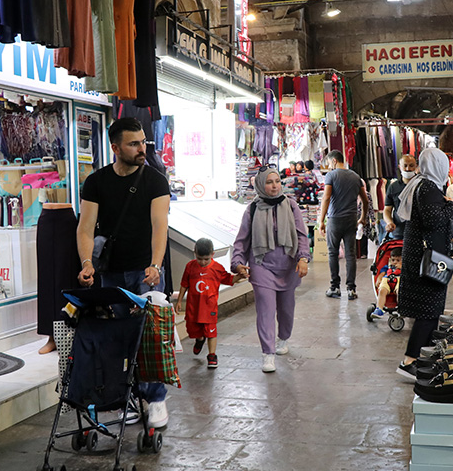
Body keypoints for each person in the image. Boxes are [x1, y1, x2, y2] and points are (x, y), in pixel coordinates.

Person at [76, 117, 171, 428]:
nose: (141, 148)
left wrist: (156, 264)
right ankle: (122, 397)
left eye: (142, 141)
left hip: (146, 271)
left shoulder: (155, 180)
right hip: (112, 273)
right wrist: (87, 263)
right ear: (115, 147)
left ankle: (155, 399)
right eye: (134, 144)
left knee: (151, 338)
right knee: (117, 338)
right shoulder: (96, 182)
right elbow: (86, 227)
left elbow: (160, 226)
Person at [231, 167, 311, 373]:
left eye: (277, 181)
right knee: (265, 310)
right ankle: (268, 353)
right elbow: (242, 240)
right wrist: (237, 261)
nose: (275, 185)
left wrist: (303, 258)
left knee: (286, 309)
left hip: (288, 265)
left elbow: (302, 235)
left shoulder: (291, 206)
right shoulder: (252, 209)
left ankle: (283, 337)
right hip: (261, 264)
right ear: (260, 185)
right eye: (269, 182)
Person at [394, 147, 453, 381]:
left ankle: (424, 358)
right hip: (427, 258)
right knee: (428, 311)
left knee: (430, 310)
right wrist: (452, 205)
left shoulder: (421, 184)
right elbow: (432, 220)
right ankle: (409, 360)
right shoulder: (429, 188)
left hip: (421, 256)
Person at [176, 238, 243, 369]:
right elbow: (184, 284)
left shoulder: (217, 269)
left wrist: (240, 275)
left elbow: (230, 279)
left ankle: (212, 355)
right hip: (193, 308)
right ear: (194, 253)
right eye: (199, 258)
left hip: (209, 308)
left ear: (212, 254)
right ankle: (199, 339)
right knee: (193, 329)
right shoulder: (190, 267)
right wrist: (179, 301)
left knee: (211, 331)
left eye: (206, 259)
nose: (202, 262)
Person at [318, 151, 369, 300]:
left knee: (333, 253)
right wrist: (362, 218)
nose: (329, 166)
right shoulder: (355, 177)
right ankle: (351, 289)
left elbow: (326, 198)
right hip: (351, 219)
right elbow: (365, 201)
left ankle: (334, 287)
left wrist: (321, 221)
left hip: (335, 220)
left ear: (334, 161)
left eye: (329, 163)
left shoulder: (331, 176)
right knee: (350, 254)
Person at [383, 154, 418, 240]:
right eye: (405, 165)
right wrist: (389, 223)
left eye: (411, 165)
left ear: (416, 166)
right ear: (399, 166)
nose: (408, 169)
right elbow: (387, 209)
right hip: (399, 232)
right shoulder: (393, 187)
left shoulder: (421, 185)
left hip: (418, 232)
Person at [371, 247, 402, 319]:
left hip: (399, 279)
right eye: (393, 260)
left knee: (400, 292)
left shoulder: (404, 267)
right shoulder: (387, 266)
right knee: (382, 291)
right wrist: (379, 278)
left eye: (398, 260)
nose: (395, 262)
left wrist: (401, 267)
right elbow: (382, 273)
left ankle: (401, 308)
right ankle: (379, 309)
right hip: (387, 280)